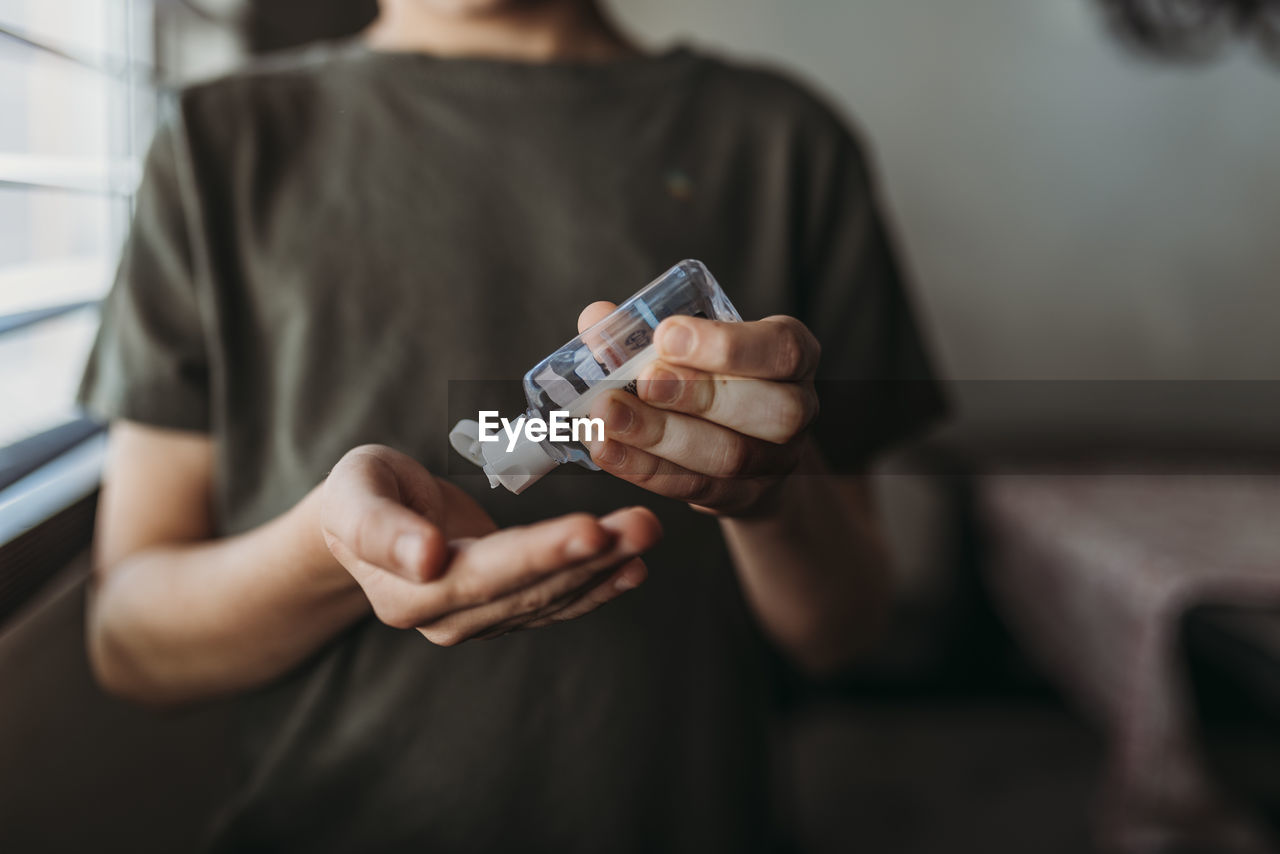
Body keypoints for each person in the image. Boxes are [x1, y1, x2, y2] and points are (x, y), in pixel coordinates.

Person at [78, 0, 944, 849]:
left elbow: (845, 628)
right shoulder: (218, 142)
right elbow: (131, 648)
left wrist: (766, 496)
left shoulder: (783, 141)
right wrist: (332, 550)